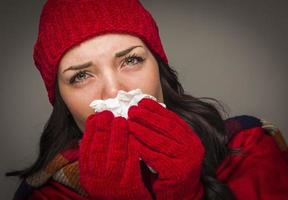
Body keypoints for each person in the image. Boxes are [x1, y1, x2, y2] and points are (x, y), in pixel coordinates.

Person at [7, 0, 288, 199]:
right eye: (80, 76)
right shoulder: (46, 194)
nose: (114, 90)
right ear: (62, 102)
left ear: (159, 68)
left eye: (131, 60)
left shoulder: (248, 146)